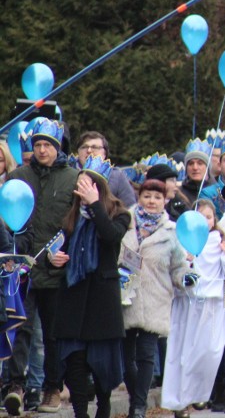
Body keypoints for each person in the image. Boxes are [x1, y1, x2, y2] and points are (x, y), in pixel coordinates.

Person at [5, 119, 78, 414]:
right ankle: (15, 386)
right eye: (38, 145)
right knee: (19, 328)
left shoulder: (73, 177)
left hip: (56, 271)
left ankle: (51, 388)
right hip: (22, 270)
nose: (42, 149)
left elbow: (77, 225)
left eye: (48, 144)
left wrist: (69, 254)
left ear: (57, 147)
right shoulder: (18, 175)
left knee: (52, 333)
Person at [49, 157, 129, 418]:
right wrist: (54, 259)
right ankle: (80, 412)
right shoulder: (70, 216)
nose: (81, 190)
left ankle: (103, 407)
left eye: (88, 186)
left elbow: (110, 236)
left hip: (101, 299)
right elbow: (59, 249)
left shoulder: (119, 213)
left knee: (102, 363)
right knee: (75, 359)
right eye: (80, 185)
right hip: (74, 296)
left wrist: (95, 206)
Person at [161, 199, 225, 418]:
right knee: (183, 351)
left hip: (213, 303)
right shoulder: (183, 240)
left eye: (208, 217)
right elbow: (175, 271)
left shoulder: (222, 240)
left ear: (214, 220)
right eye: (200, 217)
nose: (204, 222)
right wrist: (186, 261)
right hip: (188, 303)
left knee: (210, 350)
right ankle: (179, 400)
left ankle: (199, 391)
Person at [120, 179, 192, 418]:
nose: (151, 201)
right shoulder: (123, 223)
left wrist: (187, 278)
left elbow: (178, 267)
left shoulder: (172, 233)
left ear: (165, 201)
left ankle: (139, 407)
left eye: (157, 197)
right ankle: (135, 397)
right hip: (125, 297)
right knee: (125, 355)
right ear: (139, 197)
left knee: (146, 353)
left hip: (156, 298)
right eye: (147, 196)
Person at [75, 131, 137, 208]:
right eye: (84, 147)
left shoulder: (117, 177)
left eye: (95, 147)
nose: (89, 150)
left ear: (105, 153)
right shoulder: (70, 175)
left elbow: (130, 207)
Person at [182, 139, 213, 206]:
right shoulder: (179, 194)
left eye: (200, 163)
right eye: (191, 163)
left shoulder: (216, 192)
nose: (195, 168)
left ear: (207, 168)